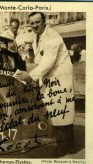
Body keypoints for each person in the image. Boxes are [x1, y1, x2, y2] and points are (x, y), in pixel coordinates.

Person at [14, 12, 75, 156]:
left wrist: (30, 76)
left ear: (44, 22)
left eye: (38, 22)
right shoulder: (37, 36)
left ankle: (64, 148)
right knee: (54, 110)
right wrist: (21, 48)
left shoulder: (52, 36)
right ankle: (65, 144)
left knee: (61, 110)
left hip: (60, 77)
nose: (35, 25)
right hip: (50, 77)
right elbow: (32, 52)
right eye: (32, 23)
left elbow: (47, 63)